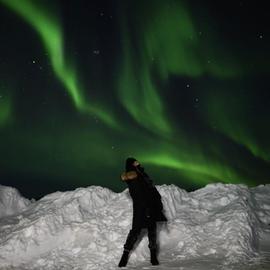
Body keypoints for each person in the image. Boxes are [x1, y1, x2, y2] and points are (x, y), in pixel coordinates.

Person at [118, 157, 167, 267]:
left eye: (137, 161)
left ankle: (153, 256)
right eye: (135, 162)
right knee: (135, 231)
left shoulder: (142, 174)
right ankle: (124, 256)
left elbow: (151, 190)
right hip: (141, 207)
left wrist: (156, 202)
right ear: (131, 164)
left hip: (150, 206)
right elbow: (135, 189)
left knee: (152, 230)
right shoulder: (133, 176)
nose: (138, 163)